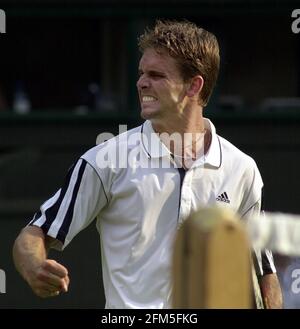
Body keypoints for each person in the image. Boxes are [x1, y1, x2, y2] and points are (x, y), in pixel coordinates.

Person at [13, 20, 282, 309]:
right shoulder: (104, 160)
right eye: (142, 73)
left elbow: (263, 272)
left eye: (156, 75)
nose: (142, 82)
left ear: (194, 85)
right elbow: (35, 232)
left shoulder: (242, 169)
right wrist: (34, 265)